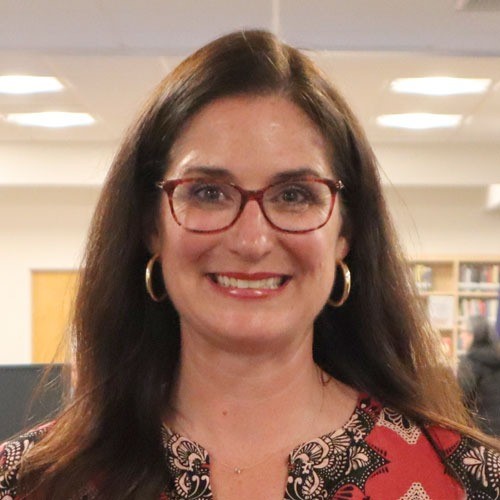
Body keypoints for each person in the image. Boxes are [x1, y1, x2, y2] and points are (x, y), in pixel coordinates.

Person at [1, 30, 499, 499]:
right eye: (208, 192)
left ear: (345, 233)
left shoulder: (467, 482)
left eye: (295, 195)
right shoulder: (27, 484)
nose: (252, 239)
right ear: (151, 226)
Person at [458, 315, 500, 436]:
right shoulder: (497, 357)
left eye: (464, 332)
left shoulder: (469, 362)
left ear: (473, 335)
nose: (461, 336)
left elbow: (462, 399)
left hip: (484, 431)